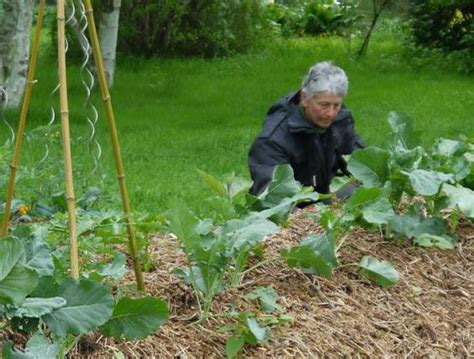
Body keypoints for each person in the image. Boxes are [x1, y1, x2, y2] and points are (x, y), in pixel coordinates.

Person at [248, 61, 364, 199]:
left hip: (326, 199)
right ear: (304, 99)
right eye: (324, 105)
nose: (331, 113)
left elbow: (362, 164)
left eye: (337, 105)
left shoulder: (340, 120)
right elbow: (272, 197)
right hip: (291, 208)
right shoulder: (272, 139)